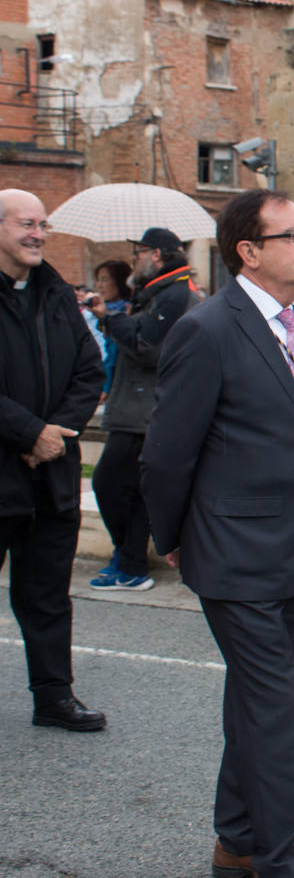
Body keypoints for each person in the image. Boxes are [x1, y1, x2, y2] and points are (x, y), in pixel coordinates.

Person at [141, 188, 294, 878]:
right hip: (235, 555)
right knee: (273, 711)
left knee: (260, 706)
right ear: (249, 252)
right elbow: (167, 451)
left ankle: (237, 841)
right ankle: (277, 860)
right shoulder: (207, 328)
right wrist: (173, 536)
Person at [0, 188, 106, 732]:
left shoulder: (57, 293)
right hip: (4, 467)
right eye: (26, 224)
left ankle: (54, 697)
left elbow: (91, 371)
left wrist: (56, 435)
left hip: (52, 472)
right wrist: (28, 431)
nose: (38, 234)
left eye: (43, 225)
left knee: (46, 596)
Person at [86, 228, 197, 591]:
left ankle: (129, 559)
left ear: (157, 256)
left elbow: (147, 346)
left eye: (140, 251)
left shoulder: (175, 295)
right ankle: (130, 563)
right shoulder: (155, 294)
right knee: (131, 492)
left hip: (146, 412)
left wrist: (110, 318)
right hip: (137, 408)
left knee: (108, 484)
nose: (134, 257)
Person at [91, 259, 132, 396]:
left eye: (104, 279)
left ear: (120, 281)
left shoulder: (126, 311)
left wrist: (106, 387)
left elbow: (114, 353)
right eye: (98, 280)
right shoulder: (104, 311)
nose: (99, 285)